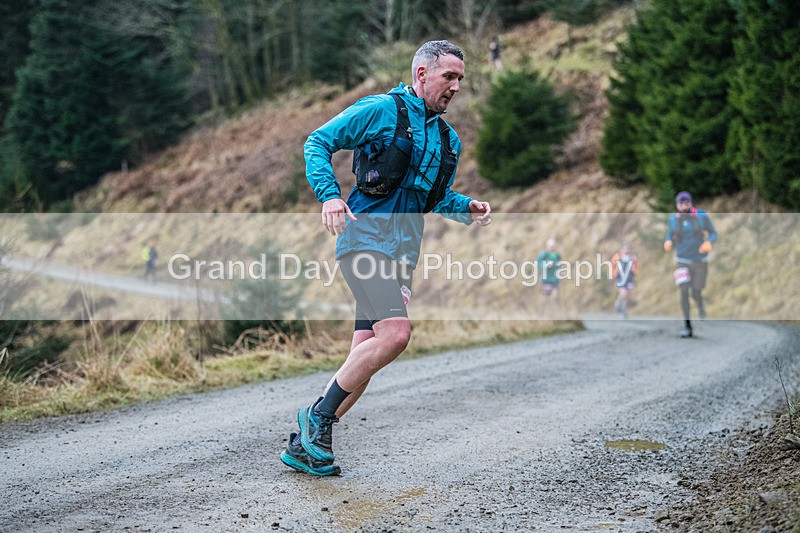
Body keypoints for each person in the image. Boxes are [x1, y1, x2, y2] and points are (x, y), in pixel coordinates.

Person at [280, 40, 492, 477]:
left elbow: (431, 198)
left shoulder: (448, 139)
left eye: (460, 79)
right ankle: (317, 419)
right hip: (364, 241)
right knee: (395, 335)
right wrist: (330, 197)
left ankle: (305, 445)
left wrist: (465, 207)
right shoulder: (381, 110)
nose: (455, 86)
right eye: (448, 76)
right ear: (421, 74)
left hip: (402, 257)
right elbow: (318, 142)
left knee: (364, 360)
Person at [664, 191, 717, 338]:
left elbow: (713, 232)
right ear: (677, 205)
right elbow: (670, 233)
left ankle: (700, 303)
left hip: (700, 260)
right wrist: (668, 241)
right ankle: (687, 325)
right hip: (682, 260)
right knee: (683, 291)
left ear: (691, 203)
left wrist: (708, 242)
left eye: (686, 203)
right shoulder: (673, 219)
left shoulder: (701, 216)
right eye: (680, 204)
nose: (683, 206)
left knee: (696, 290)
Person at [611, 242, 638, 319]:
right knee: (623, 292)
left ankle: (624, 310)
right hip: (621, 278)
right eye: (625, 248)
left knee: (628, 294)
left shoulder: (632, 258)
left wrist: (634, 272)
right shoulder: (618, 257)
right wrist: (614, 274)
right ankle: (618, 303)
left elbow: (635, 268)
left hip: (629, 278)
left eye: (628, 249)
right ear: (622, 250)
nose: (626, 250)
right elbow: (613, 266)